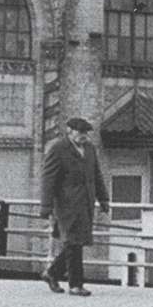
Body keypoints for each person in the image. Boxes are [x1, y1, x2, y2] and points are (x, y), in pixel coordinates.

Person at [39, 116, 109, 296]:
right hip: (66, 204)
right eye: (80, 132)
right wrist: (46, 206)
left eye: (86, 132)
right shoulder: (58, 149)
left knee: (76, 243)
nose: (84, 135)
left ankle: (52, 273)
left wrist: (103, 199)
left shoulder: (90, 149)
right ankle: (75, 285)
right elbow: (48, 179)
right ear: (69, 131)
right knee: (72, 242)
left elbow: (96, 175)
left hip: (85, 203)